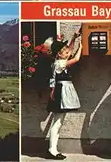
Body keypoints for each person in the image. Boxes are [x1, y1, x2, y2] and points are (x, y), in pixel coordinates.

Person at [46, 29, 82, 160]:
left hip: (60, 92)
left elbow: (69, 51)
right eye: (65, 52)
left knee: (58, 121)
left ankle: (53, 148)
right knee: (58, 122)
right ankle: (52, 149)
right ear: (59, 55)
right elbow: (76, 58)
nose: (68, 53)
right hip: (61, 93)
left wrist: (74, 39)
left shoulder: (58, 61)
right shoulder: (60, 63)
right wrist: (81, 47)